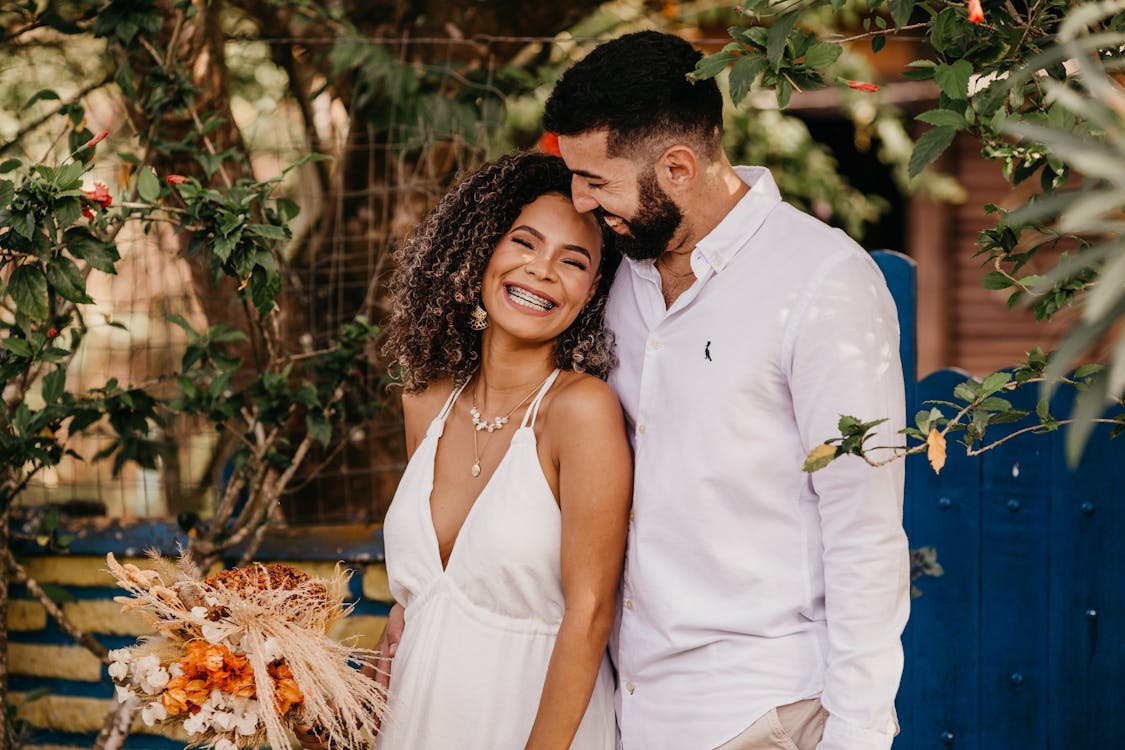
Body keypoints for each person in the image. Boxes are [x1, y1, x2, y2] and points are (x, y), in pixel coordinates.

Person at [536, 30, 910, 750]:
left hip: (762, 708)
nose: (578, 200)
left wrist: (857, 734)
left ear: (677, 167)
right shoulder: (614, 275)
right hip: (630, 707)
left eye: (595, 180)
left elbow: (863, 527)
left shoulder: (821, 282)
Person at [357, 151, 631, 750]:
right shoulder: (425, 403)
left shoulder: (580, 412)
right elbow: (426, 598)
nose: (541, 270)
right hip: (415, 718)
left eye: (573, 260)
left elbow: (590, 615)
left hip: (535, 722)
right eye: (524, 243)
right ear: (480, 250)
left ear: (592, 291)